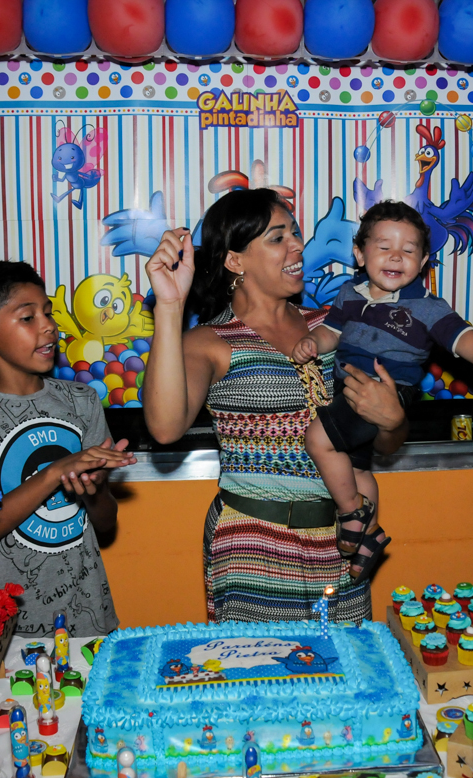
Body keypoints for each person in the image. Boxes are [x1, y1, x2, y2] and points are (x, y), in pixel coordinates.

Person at [141, 188, 409, 623]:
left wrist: (393, 421)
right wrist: (170, 307)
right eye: (277, 237)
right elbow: (165, 428)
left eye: (295, 233)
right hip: (251, 549)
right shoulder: (210, 342)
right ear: (235, 261)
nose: (297, 245)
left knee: (347, 666)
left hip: (343, 542)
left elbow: (384, 442)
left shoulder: (336, 328)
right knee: (258, 666)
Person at [292, 201, 473, 583]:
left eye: (408, 250)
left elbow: (460, 335)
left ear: (424, 261)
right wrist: (312, 342)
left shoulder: (426, 306)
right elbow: (332, 331)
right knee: (358, 468)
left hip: (389, 392)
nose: (396, 256)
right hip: (346, 391)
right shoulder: (349, 293)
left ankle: (351, 513)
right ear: (360, 254)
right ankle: (370, 535)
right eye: (384, 247)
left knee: (317, 440)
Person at [0, 260, 136, 637]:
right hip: (0, 627)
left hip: (85, 616)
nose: (48, 325)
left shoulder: (82, 401)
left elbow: (106, 522)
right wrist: (53, 473)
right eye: (28, 317)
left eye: (48, 313)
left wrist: (94, 490)